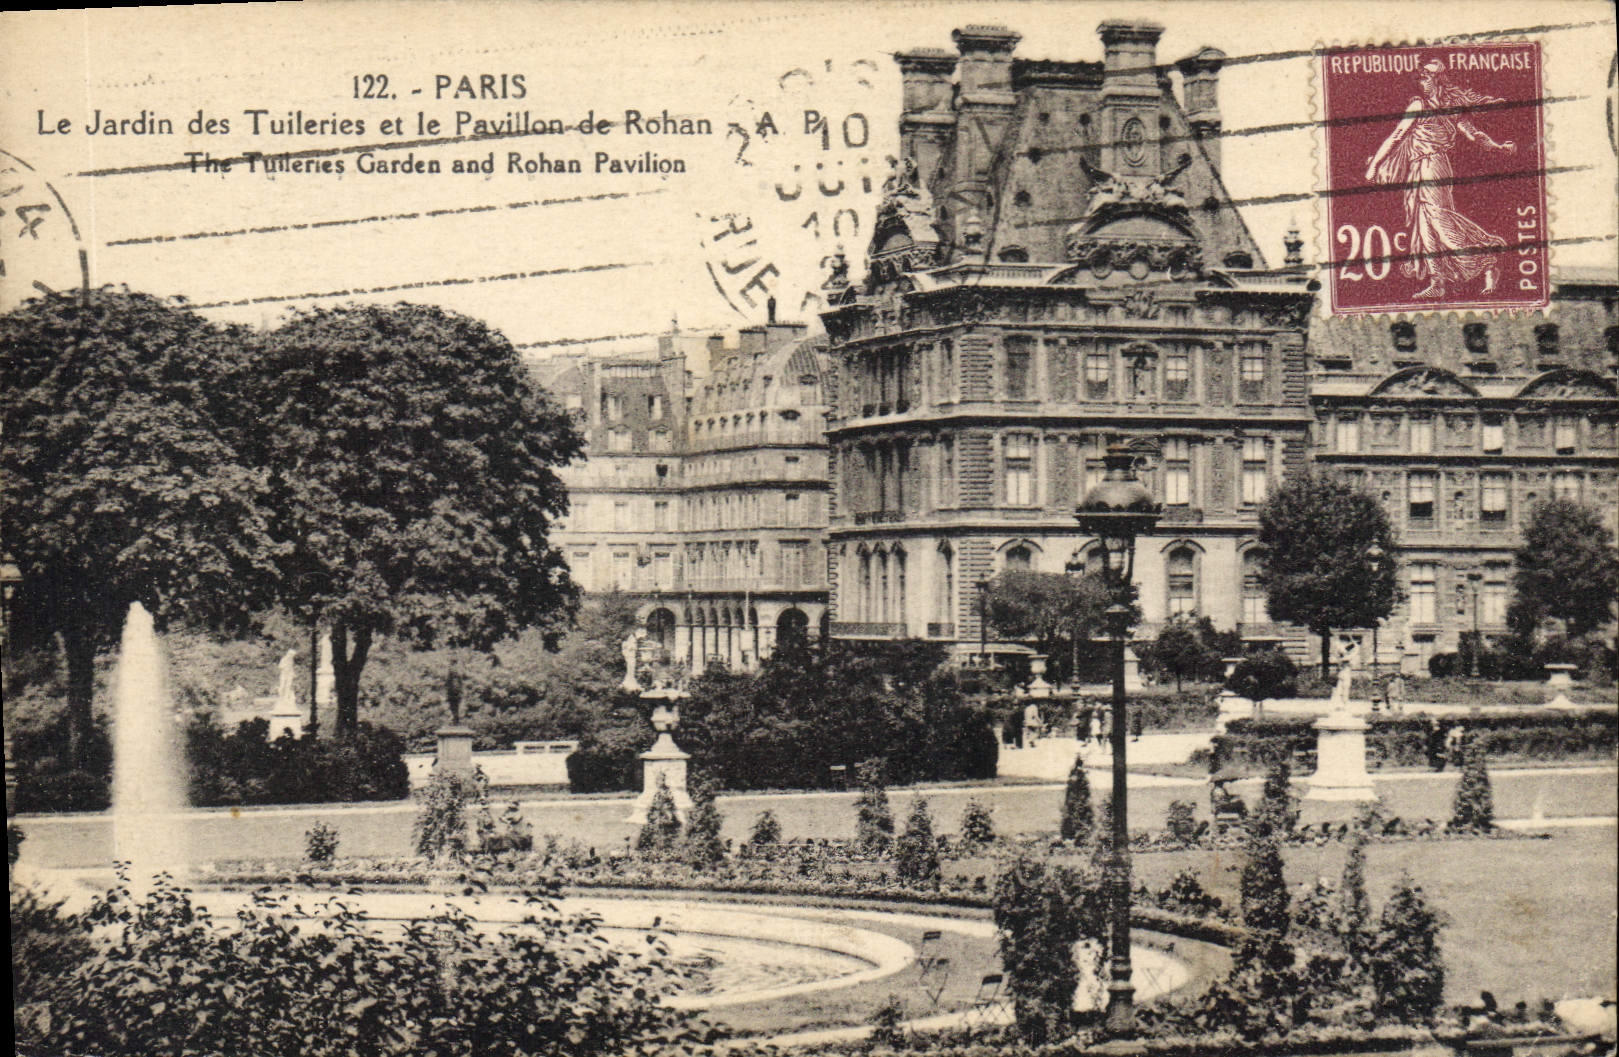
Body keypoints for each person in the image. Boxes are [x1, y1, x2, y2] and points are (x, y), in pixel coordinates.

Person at [1365, 60, 1517, 300]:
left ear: (1437, 80)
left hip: (1432, 165)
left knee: (1438, 219)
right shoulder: (1432, 104)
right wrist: (1498, 147)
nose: (1421, 83)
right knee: (1425, 225)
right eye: (1420, 79)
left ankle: (1486, 259)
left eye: (1425, 78)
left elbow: (1398, 136)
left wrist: (1375, 165)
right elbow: (1399, 136)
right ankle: (1438, 281)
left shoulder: (1430, 105)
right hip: (1421, 167)